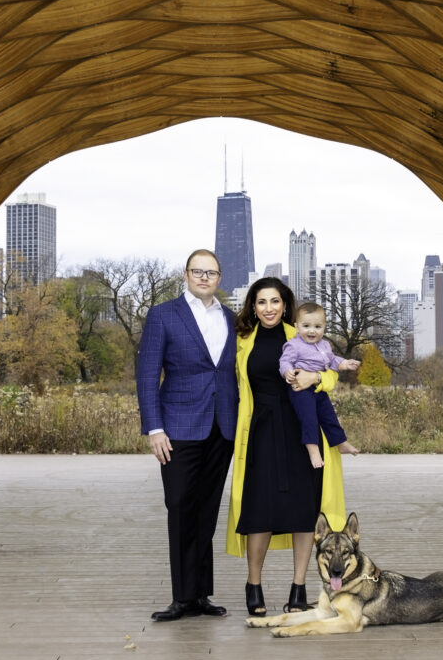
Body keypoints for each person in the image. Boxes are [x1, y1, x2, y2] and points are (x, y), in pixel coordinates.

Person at [225, 277, 348, 618]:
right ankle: (254, 584)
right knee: (259, 510)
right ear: (253, 305)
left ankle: (299, 588)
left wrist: (317, 379)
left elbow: (332, 370)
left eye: (275, 301)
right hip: (260, 431)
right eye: (262, 302)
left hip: (301, 430)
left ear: (285, 304)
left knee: (303, 510)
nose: (269, 308)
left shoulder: (302, 332)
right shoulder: (241, 340)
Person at [136, 249, 238, 622]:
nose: (204, 277)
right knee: (180, 506)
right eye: (198, 271)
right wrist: (154, 427)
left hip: (221, 427)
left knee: (207, 511)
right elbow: (147, 374)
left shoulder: (230, 318)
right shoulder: (163, 315)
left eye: (211, 272)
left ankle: (199, 595)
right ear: (186, 274)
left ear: (219, 277)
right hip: (177, 428)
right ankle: (181, 597)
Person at [279, 302, 361, 469]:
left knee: (329, 415)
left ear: (324, 327)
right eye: (306, 326)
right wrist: (286, 371)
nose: (312, 331)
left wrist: (345, 363)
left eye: (317, 326)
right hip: (300, 389)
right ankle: (313, 449)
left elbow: (332, 361)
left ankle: (341, 442)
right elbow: (285, 360)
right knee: (308, 417)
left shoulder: (325, 345)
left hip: (318, 388)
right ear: (296, 326)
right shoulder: (293, 345)